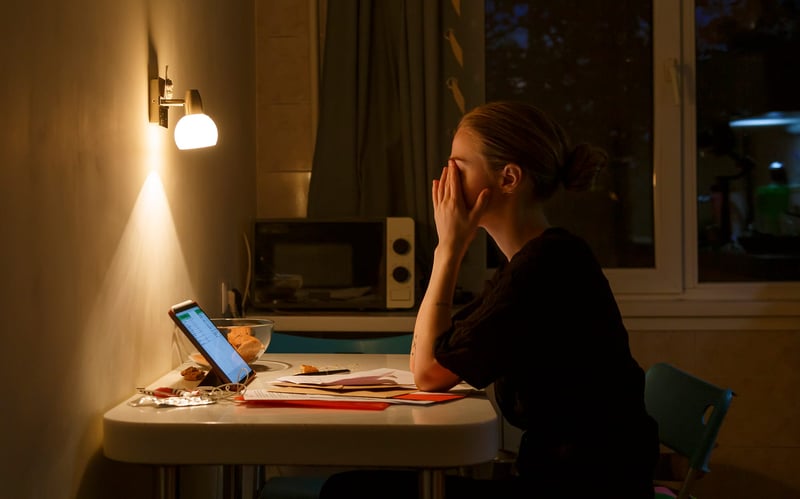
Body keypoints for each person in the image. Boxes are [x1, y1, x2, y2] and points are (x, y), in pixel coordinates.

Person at [320, 101, 660, 499]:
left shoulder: (543, 269)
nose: (446, 178)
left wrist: (448, 249)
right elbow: (437, 353)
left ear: (509, 178)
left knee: (348, 491)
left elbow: (428, 372)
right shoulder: (538, 259)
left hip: (577, 487)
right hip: (573, 479)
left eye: (458, 165)